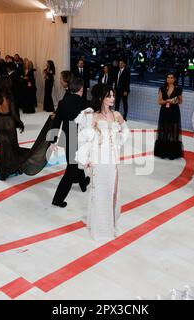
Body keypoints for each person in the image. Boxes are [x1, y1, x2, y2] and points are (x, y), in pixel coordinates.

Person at [75, 83, 130, 241]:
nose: (113, 98)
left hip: (112, 159)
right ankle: (101, 227)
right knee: (99, 193)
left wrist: (119, 141)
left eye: (113, 95)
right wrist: (87, 158)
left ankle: (111, 224)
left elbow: (126, 130)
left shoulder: (117, 115)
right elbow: (85, 139)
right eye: (109, 96)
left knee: (113, 191)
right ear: (101, 98)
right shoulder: (93, 116)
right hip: (99, 159)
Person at [0, 76, 54, 180]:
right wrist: (21, 124)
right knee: (13, 146)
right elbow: (14, 114)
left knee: (3, 148)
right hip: (9, 122)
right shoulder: (9, 95)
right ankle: (15, 168)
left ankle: (3, 173)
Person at [51, 78, 90, 208]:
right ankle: (58, 199)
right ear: (81, 89)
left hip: (68, 136)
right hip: (78, 138)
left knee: (75, 163)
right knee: (71, 169)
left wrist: (53, 140)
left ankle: (83, 184)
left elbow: (57, 122)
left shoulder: (62, 102)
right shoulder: (85, 104)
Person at [154, 72, 184, 160]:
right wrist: (168, 101)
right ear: (166, 79)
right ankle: (163, 152)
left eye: (171, 77)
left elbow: (181, 101)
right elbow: (159, 101)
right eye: (168, 77)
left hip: (174, 111)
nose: (170, 79)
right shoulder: (162, 88)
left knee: (174, 131)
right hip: (164, 111)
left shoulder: (178, 89)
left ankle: (173, 153)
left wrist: (175, 101)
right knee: (164, 130)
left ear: (174, 79)